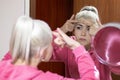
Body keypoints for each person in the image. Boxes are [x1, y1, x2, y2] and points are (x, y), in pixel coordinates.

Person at [0, 16, 98, 80]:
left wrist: (46, 35)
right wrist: (77, 47)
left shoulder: (2, 67)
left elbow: (11, 55)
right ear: (42, 51)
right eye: (50, 42)